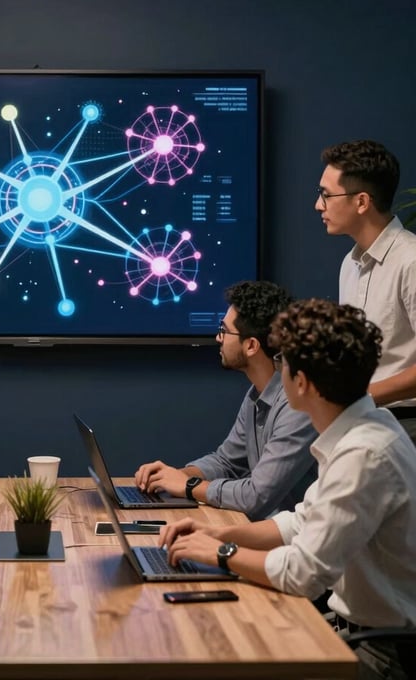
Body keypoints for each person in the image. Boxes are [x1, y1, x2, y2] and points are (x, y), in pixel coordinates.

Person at [159, 299, 416, 680]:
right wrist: (219, 534)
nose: (278, 373)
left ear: (302, 383)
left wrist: (221, 553)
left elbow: (302, 574)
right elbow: (299, 522)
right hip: (360, 634)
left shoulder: (363, 454)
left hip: (384, 654)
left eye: (283, 363)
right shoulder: (366, 429)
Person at [134, 280, 317, 520]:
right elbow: (227, 462)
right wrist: (174, 476)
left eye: (224, 330)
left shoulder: (297, 407)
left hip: (295, 538)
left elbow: (256, 497)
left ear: (251, 346)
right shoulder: (256, 394)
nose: (218, 337)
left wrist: (188, 486)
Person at [316, 139, 416, 441]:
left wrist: (358, 396)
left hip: (406, 426)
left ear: (361, 202)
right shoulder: (350, 263)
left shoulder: (411, 260)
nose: (318, 205)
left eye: (326, 195)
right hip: (361, 422)